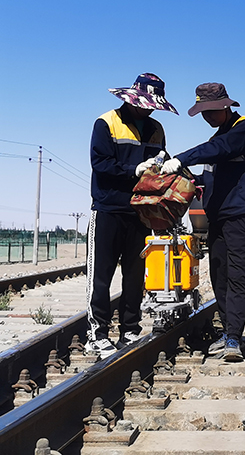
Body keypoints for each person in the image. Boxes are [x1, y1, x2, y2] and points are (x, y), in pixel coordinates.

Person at [160, 83, 245, 362]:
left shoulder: (244, 128)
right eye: (203, 113)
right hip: (219, 215)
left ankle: (234, 338)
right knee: (219, 274)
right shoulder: (218, 137)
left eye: (210, 111)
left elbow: (220, 148)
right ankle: (229, 331)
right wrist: (188, 178)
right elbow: (212, 176)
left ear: (225, 106)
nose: (207, 117)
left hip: (242, 214)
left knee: (238, 275)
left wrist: (182, 158)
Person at [87, 73, 177, 357]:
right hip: (108, 209)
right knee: (101, 275)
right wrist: (133, 170)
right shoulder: (107, 123)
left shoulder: (156, 129)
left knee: (135, 275)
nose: (148, 110)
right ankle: (97, 334)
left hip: (140, 212)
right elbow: (100, 163)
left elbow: (160, 163)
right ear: (132, 99)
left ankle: (129, 330)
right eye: (145, 105)